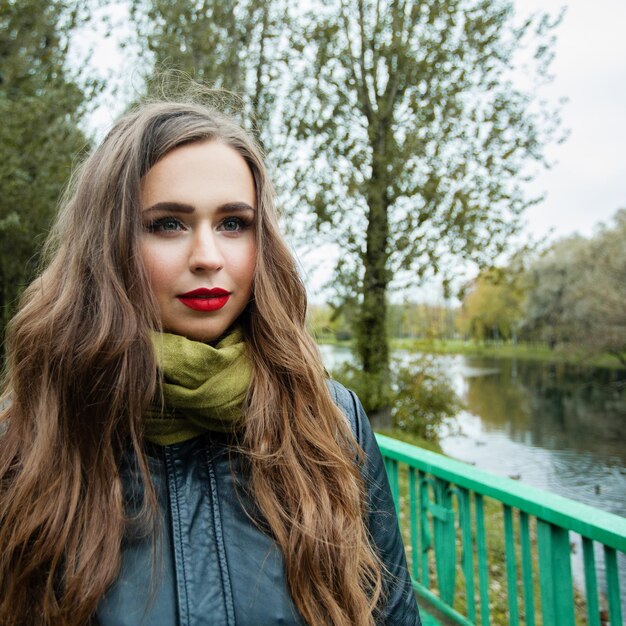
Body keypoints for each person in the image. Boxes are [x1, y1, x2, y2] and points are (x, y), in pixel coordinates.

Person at [0, 99, 421, 626]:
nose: (207, 256)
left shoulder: (332, 422)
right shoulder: (27, 438)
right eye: (169, 224)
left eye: (232, 223)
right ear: (107, 245)